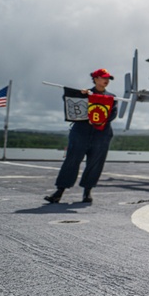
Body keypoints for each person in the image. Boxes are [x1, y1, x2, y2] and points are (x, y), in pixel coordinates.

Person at [44, 69, 117, 204]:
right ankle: (59, 192)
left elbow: (113, 113)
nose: (106, 81)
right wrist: (79, 94)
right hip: (81, 133)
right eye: (103, 78)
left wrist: (102, 121)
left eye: (108, 79)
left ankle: (87, 192)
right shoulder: (84, 93)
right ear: (95, 79)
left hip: (101, 135)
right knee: (71, 161)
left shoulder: (112, 96)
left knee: (95, 163)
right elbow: (69, 101)